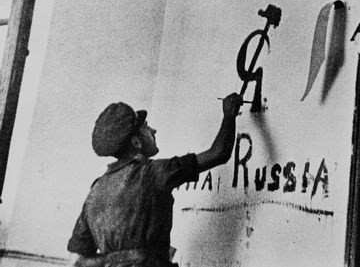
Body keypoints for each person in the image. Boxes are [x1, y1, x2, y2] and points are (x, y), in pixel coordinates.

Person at [67, 93, 243, 267]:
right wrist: (229, 115)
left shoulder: (96, 190)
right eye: (146, 126)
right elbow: (219, 153)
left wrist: (116, 259)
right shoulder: (153, 172)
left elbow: (76, 262)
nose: (153, 130)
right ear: (136, 142)